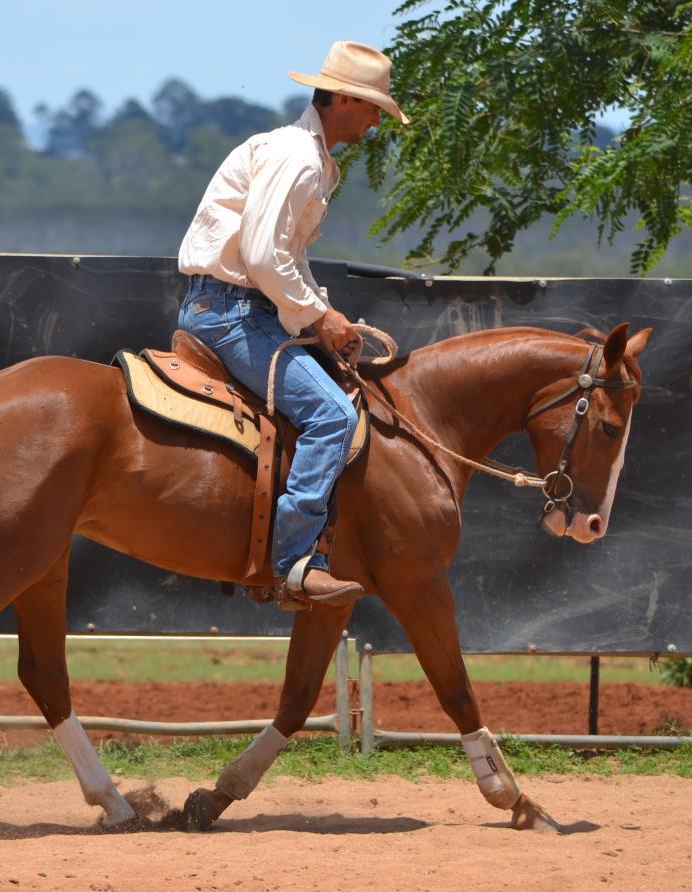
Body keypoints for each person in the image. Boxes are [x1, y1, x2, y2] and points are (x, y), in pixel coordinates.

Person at [177, 41, 408, 603]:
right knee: (332, 416)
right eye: (374, 106)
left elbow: (283, 258)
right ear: (344, 100)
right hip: (233, 312)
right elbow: (263, 257)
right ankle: (296, 562)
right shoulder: (299, 158)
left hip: (233, 306)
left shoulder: (306, 156)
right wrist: (320, 316)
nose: (377, 121)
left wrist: (323, 315)